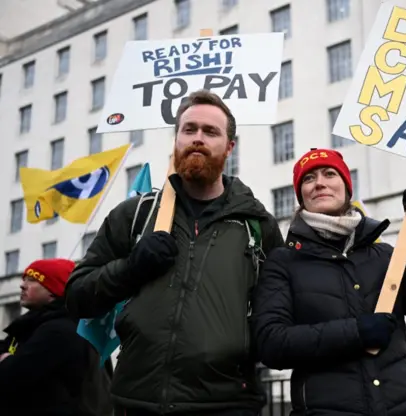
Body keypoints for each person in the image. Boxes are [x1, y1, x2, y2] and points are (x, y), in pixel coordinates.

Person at [65, 90, 285, 416]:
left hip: (228, 404)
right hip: (137, 402)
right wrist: (131, 268)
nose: (198, 138)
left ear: (229, 147)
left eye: (210, 132)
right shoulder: (135, 215)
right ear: (176, 139)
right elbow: (77, 296)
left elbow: (278, 312)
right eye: (189, 129)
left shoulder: (256, 225)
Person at [250, 148, 406, 416]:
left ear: (347, 188)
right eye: (308, 179)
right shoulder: (283, 262)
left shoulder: (384, 255)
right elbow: (271, 344)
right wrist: (355, 332)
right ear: (301, 196)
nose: (319, 182)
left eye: (330, 173)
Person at [0, 258, 112, 415]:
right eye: (24, 279)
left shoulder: (60, 330)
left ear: (54, 291)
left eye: (32, 280)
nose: (22, 285)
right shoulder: (31, 325)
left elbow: (12, 377)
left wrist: (7, 360)